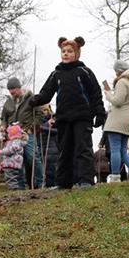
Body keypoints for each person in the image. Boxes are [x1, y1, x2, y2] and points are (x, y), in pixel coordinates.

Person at [30, 37, 107, 189]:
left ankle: (86, 180)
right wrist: (35, 100)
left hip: (82, 116)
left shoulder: (84, 72)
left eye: (70, 51)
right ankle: (63, 183)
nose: (66, 54)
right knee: (64, 151)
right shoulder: (56, 74)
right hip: (63, 117)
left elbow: (95, 93)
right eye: (63, 51)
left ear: (77, 53)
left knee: (83, 148)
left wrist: (100, 113)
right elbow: (46, 93)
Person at [1, 77, 45, 189]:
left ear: (19, 87)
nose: (11, 91)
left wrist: (32, 128)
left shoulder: (31, 98)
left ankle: (40, 182)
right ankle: (20, 185)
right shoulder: (8, 102)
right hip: (13, 136)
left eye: (13, 88)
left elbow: (40, 115)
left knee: (33, 158)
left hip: (27, 133)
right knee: (16, 160)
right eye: (9, 89)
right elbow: (4, 117)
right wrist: (3, 127)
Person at [102, 60, 129, 183]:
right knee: (123, 151)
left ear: (119, 70)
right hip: (128, 120)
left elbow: (118, 101)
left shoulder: (122, 82)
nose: (115, 74)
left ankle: (115, 176)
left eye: (116, 71)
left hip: (117, 119)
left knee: (115, 149)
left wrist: (108, 94)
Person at [0, 124, 26, 190]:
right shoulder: (12, 142)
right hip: (11, 162)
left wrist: (0, 152)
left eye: (8, 133)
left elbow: (10, 150)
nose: (7, 135)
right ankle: (12, 187)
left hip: (12, 162)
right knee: (11, 176)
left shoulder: (16, 142)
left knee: (10, 176)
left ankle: (13, 188)